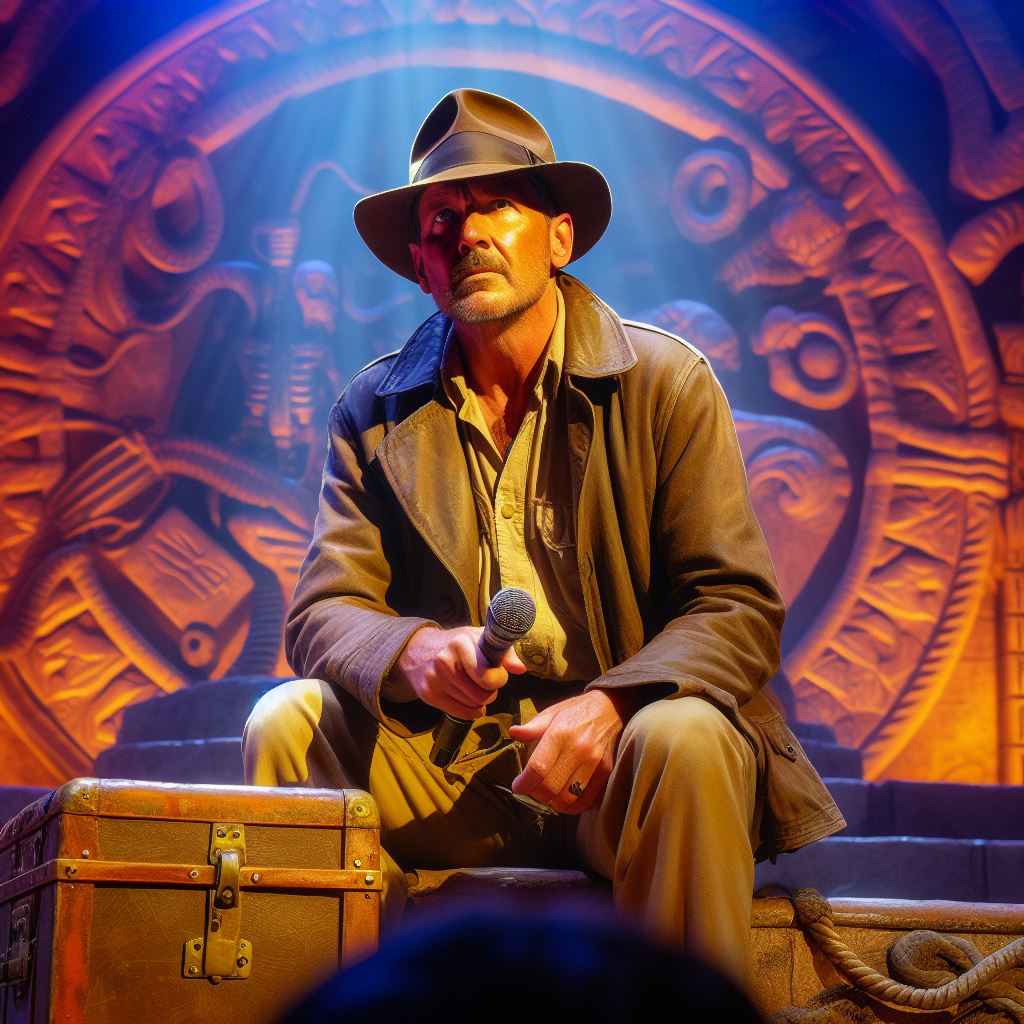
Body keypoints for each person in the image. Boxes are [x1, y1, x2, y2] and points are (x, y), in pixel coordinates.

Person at [243, 88, 845, 985]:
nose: (470, 233)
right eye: (444, 217)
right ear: (420, 264)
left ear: (558, 238)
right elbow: (322, 612)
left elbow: (736, 606)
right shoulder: (373, 409)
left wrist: (613, 705)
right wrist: (412, 654)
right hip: (454, 768)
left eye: (498, 208)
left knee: (686, 735)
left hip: (621, 770)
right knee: (286, 721)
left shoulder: (664, 381)